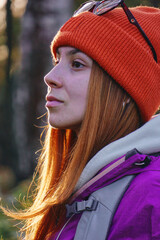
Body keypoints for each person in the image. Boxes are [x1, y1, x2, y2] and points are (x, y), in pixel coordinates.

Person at [2, 0, 160, 239]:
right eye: (57, 61)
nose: (50, 77)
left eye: (77, 64)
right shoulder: (78, 188)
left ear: (125, 93)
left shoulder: (150, 195)